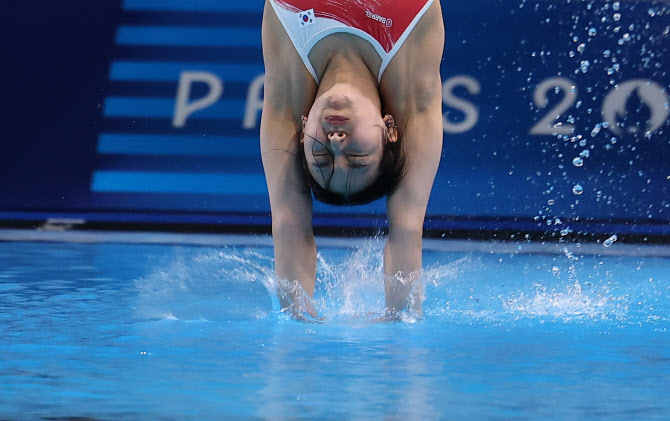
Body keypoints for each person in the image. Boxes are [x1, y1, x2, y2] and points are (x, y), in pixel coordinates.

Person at [260, 0, 444, 319]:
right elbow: (407, 226)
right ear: (390, 131)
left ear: (302, 132)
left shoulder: (288, 86)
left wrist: (297, 317)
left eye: (321, 155)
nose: (335, 142)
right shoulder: (412, 81)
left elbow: (289, 221)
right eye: (357, 156)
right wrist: (399, 319)